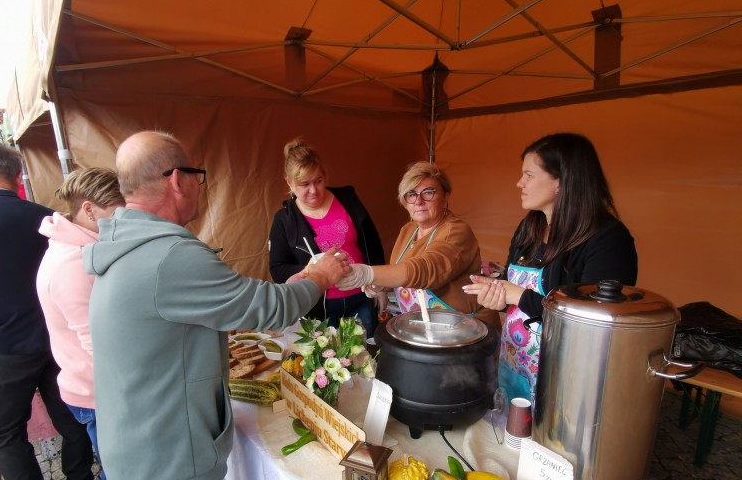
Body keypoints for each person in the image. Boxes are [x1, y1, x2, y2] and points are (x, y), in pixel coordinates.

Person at [83, 130, 348, 480]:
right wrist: (320, 275)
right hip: (172, 455)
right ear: (176, 180)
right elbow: (269, 309)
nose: (199, 187)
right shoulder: (170, 256)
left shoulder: (118, 244)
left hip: (136, 444)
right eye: (197, 176)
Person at [0, 139, 95, 480]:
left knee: (0, 432)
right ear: (15, 175)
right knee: (71, 416)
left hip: (1, 345)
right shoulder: (47, 217)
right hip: (55, 339)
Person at [35, 167, 155, 480]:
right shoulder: (73, 263)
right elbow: (100, 347)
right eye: (119, 211)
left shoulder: (80, 247)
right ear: (88, 209)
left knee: (124, 467)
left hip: (96, 385)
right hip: (98, 391)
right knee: (120, 474)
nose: (127, 221)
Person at [463, 132, 638, 404]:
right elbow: (513, 293)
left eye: (529, 175)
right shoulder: (530, 227)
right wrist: (497, 295)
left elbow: (594, 324)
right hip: (516, 366)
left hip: (567, 381)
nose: (519, 182)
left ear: (561, 180)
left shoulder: (608, 240)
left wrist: (518, 296)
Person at [336, 160, 500, 331]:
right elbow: (401, 272)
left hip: (463, 331)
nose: (419, 201)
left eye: (428, 193)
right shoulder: (408, 230)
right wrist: (382, 285)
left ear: (445, 198)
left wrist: (369, 273)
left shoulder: (456, 231)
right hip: (426, 329)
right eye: (412, 194)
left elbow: (426, 270)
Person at [268, 137, 385, 337]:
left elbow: (372, 244)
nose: (313, 190)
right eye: (304, 184)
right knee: (327, 363)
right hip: (318, 307)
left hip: (361, 297)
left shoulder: (348, 200)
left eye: (318, 181)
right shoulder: (284, 220)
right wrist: (311, 269)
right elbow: (278, 268)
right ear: (290, 183)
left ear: (325, 175)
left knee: (367, 357)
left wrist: (380, 284)